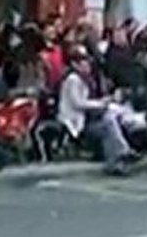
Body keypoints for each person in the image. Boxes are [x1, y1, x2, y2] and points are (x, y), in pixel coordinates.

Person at [57, 45, 137, 177]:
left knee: (110, 120)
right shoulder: (73, 80)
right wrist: (101, 104)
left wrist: (105, 101)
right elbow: (78, 103)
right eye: (83, 63)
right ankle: (121, 154)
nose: (87, 65)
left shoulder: (86, 80)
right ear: (75, 65)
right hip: (76, 123)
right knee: (108, 124)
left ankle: (116, 160)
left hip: (88, 118)